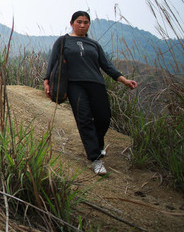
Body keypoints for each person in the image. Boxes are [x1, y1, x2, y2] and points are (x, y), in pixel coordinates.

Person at [43, 11, 138, 175]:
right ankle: (95, 159)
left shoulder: (94, 44)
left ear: (88, 25)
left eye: (86, 22)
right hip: (74, 85)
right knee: (84, 118)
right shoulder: (63, 41)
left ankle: (98, 143)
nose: (82, 25)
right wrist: (47, 81)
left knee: (103, 117)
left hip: (96, 84)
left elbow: (107, 66)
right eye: (79, 22)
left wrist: (124, 80)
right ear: (72, 22)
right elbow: (53, 62)